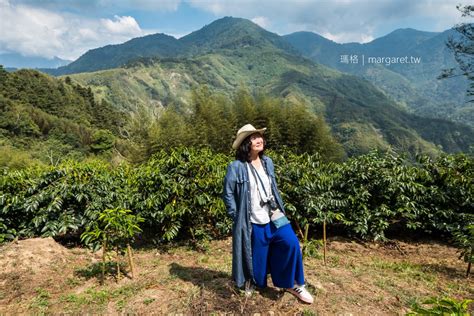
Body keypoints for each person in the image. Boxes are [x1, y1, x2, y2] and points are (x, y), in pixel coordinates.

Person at [222, 124, 314, 304]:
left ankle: (293, 284)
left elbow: (273, 188)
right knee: (256, 258)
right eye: (254, 138)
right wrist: (236, 215)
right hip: (253, 219)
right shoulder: (237, 167)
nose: (259, 140)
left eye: (260, 137)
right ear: (245, 144)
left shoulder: (267, 162)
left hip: (274, 214)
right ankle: (251, 281)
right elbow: (228, 193)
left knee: (291, 243)